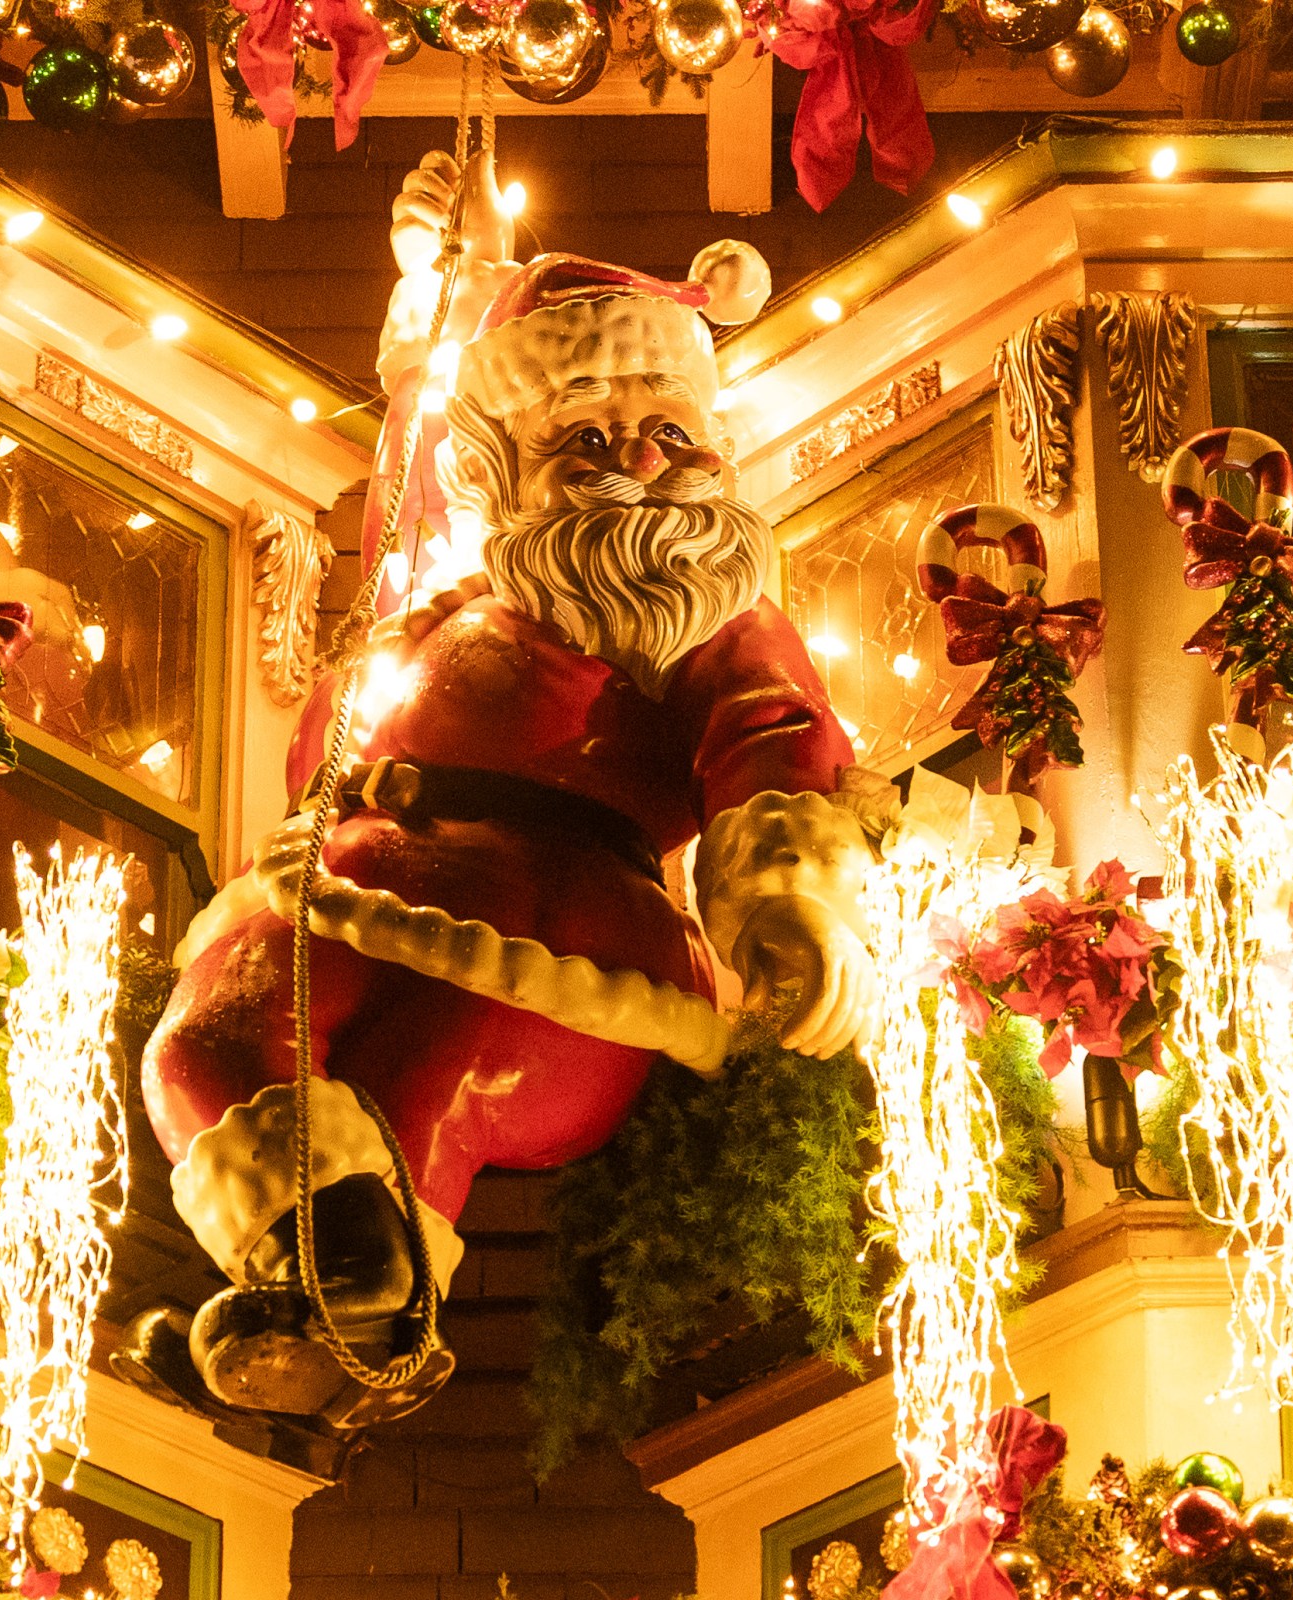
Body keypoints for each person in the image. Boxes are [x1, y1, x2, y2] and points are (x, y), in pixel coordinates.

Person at [132, 158, 883, 1432]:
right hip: (345, 888)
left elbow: (774, 735)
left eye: (667, 437)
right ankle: (311, 1276)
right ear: (506, 472)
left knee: (442, 1069)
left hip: (560, 920)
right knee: (205, 1043)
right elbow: (420, 452)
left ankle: (364, 1307)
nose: (635, 468)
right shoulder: (449, 590)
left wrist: (788, 905)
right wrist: (447, 279)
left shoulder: (697, 601)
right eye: (584, 441)